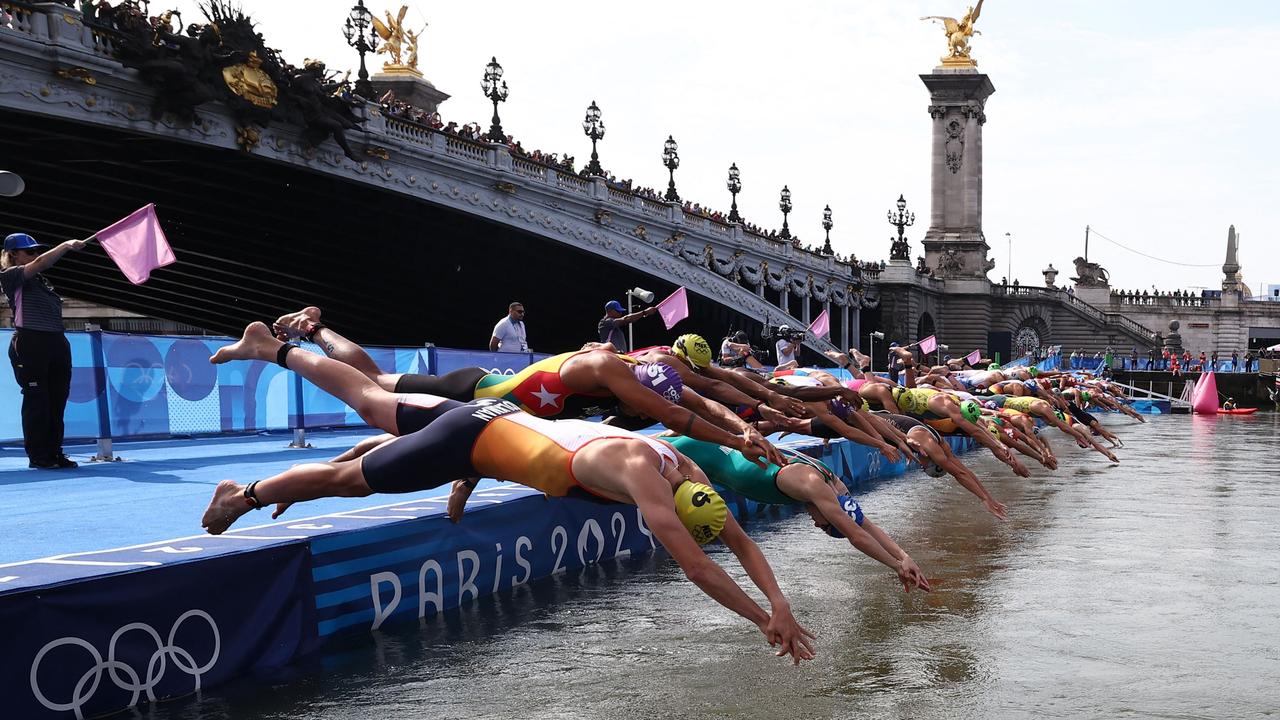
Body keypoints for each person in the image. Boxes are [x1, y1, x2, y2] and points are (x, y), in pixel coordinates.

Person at [201, 379, 817, 663]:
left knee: (370, 403)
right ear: (665, 503)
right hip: (472, 441)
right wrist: (764, 618)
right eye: (666, 519)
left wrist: (779, 602)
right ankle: (244, 493)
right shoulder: (644, 478)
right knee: (348, 482)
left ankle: (282, 349)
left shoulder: (681, 468)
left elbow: (730, 538)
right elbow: (699, 565)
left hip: (493, 423)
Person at [666, 436, 930, 592]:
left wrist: (905, 557)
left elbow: (864, 525)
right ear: (831, 513)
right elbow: (856, 536)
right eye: (826, 527)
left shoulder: (834, 484)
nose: (817, 526)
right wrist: (895, 566)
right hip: (694, 453)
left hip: (706, 451)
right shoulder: (814, 486)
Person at [1, 232, 87, 469]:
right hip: (30, 341)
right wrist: (66, 244)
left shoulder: (43, 283)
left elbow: (39, 265)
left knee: (57, 400)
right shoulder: (10, 276)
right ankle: (38, 455)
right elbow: (41, 263)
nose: (35, 255)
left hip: (56, 341)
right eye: (30, 251)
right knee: (36, 399)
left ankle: (54, 451)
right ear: (13, 255)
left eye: (37, 250)